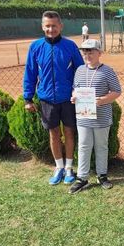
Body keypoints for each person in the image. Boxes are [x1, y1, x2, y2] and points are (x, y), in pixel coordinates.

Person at [23, 10, 84, 185]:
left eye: (54, 26)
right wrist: (28, 98)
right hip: (47, 99)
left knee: (70, 132)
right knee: (54, 133)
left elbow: (79, 71)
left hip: (68, 99)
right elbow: (30, 73)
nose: (51, 29)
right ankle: (58, 167)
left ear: (60, 26)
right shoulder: (35, 47)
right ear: (43, 27)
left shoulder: (70, 46)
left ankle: (69, 168)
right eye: (48, 26)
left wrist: (77, 91)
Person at [68, 39, 121, 194]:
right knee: (83, 146)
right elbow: (75, 89)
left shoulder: (107, 71)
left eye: (91, 51)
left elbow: (117, 91)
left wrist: (103, 100)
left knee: (101, 147)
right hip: (83, 116)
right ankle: (82, 178)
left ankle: (102, 176)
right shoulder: (79, 70)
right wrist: (73, 97)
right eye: (85, 51)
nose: (87, 54)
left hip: (101, 117)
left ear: (99, 53)